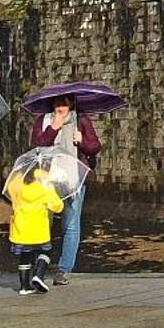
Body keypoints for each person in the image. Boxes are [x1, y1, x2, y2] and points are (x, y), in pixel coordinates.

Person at [29, 94, 102, 285]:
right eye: (57, 102)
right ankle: (40, 265)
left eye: (65, 102)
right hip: (48, 178)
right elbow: (37, 144)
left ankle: (64, 269)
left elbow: (95, 147)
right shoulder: (44, 120)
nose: (61, 106)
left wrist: (82, 141)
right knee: (44, 222)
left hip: (75, 178)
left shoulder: (80, 120)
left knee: (70, 224)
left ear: (71, 104)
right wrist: (54, 127)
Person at [6, 165, 65, 295]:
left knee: (24, 256)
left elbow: (11, 194)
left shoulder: (16, 180)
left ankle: (24, 286)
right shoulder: (44, 181)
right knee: (46, 252)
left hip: (20, 228)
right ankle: (38, 274)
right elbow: (57, 206)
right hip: (39, 229)